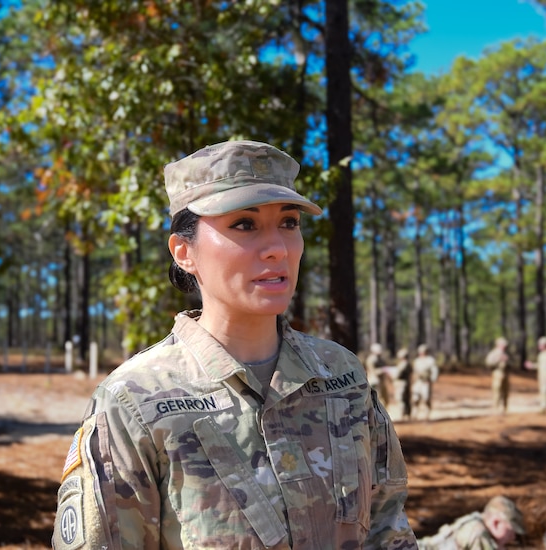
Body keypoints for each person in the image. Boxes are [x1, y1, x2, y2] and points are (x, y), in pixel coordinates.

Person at [51, 140, 417, 549]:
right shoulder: (136, 402)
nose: (277, 247)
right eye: (244, 224)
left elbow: (389, 530)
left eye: (289, 223)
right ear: (184, 252)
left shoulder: (341, 375)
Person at [417, 495, 526, 549]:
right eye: (511, 531)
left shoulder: (477, 520)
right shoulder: (479, 533)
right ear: (496, 523)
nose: (513, 537)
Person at [525, 336, 546, 414]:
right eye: (539, 344)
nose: (539, 346)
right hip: (541, 377)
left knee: (545, 391)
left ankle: (545, 408)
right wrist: (532, 366)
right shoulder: (541, 354)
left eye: (541, 344)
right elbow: (540, 365)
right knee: (542, 392)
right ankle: (544, 407)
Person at [411, 343, 439, 419]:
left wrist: (433, 379)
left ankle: (427, 412)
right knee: (415, 398)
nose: (421, 352)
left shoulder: (430, 360)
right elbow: (414, 371)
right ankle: (415, 412)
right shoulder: (417, 361)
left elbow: (434, 370)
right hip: (418, 381)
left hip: (426, 382)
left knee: (426, 398)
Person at [485, 337, 511, 415]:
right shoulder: (493, 353)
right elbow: (488, 363)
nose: (505, 346)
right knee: (497, 392)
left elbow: (510, 365)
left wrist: (507, 361)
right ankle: (496, 409)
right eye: (503, 345)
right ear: (498, 345)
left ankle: (504, 409)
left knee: (505, 392)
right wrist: (498, 359)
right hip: (497, 375)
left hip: (505, 375)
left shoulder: (506, 354)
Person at [396, 347, 413, 420]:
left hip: (401, 384)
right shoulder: (409, 363)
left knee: (401, 399)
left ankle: (402, 414)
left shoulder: (403, 364)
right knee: (407, 399)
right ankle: (408, 414)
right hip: (407, 383)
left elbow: (398, 375)